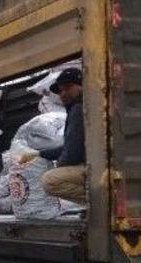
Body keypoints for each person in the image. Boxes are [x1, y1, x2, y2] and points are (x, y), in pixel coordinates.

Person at [33, 67, 86, 204]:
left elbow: (72, 154)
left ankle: (102, 203)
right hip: (93, 167)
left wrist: (59, 164)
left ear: (81, 85)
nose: (63, 94)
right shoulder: (78, 108)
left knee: (50, 180)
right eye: (61, 90)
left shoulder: (78, 109)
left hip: (94, 168)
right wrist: (39, 154)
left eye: (68, 88)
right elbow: (70, 146)